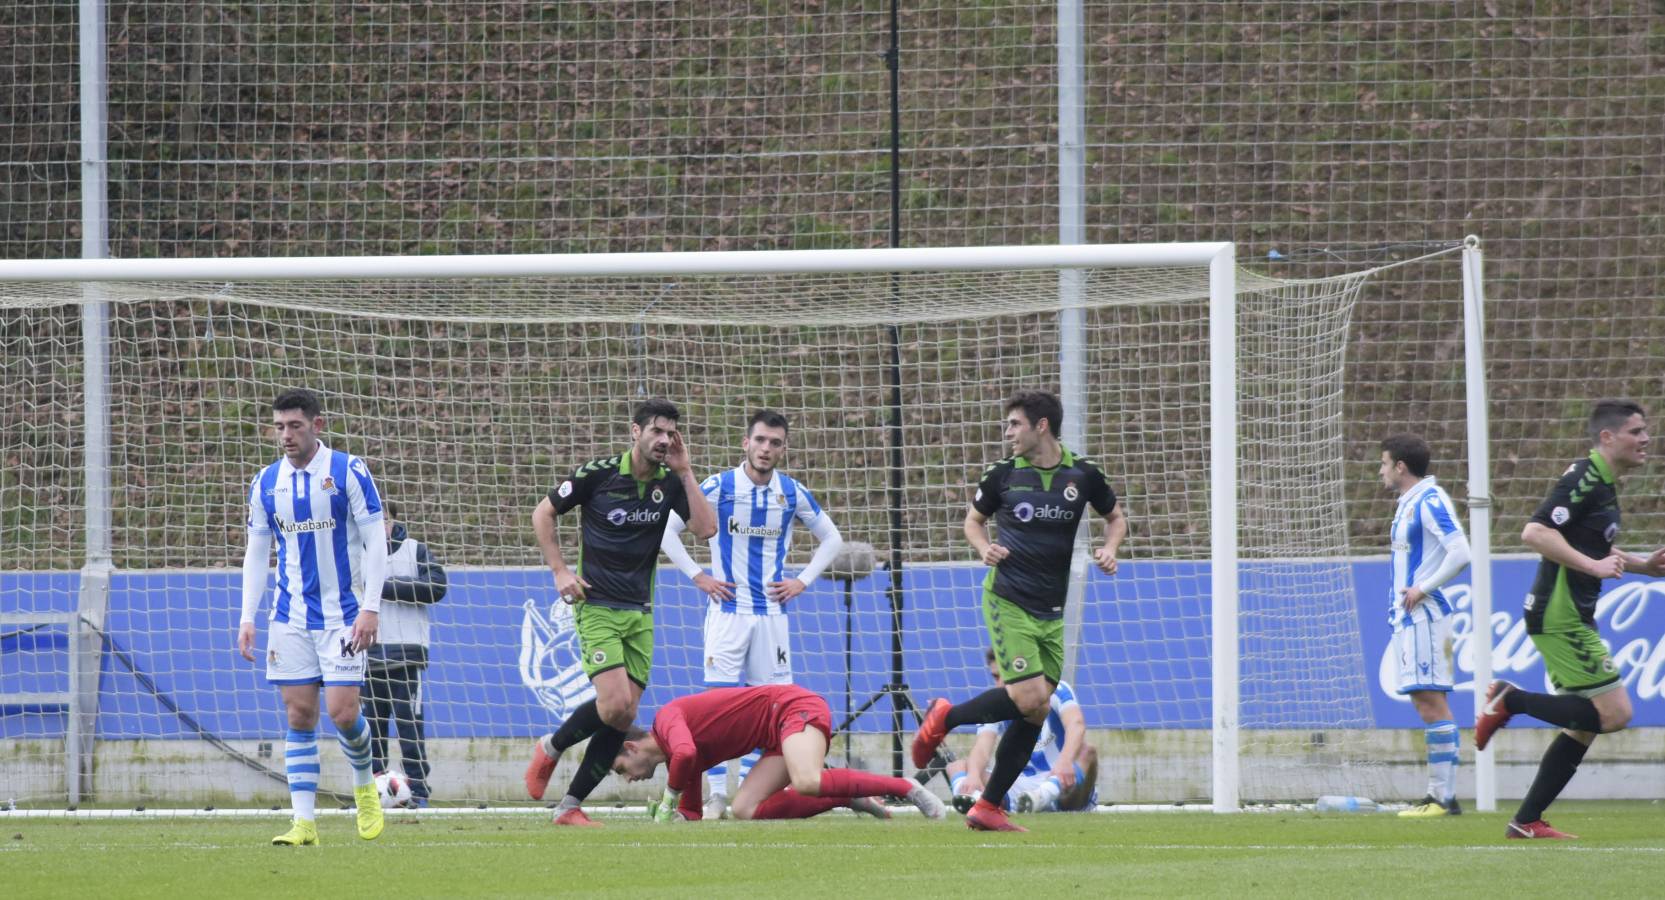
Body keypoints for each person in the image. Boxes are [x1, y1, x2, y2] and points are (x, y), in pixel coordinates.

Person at [911, 389, 1125, 832]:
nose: (1008, 432)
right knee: (1029, 698)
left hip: (1052, 609)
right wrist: (984, 547)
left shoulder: (1083, 475)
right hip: (1008, 599)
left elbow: (1115, 518)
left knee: (1037, 708)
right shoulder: (1002, 475)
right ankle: (944, 718)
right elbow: (973, 521)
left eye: (1014, 424)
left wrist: (1109, 549)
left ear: (1040, 426)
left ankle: (989, 806)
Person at [1475, 400, 1665, 840]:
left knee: (1583, 725)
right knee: (1614, 714)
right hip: (1560, 615)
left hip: (1570, 612)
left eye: (1645, 431)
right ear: (1607, 437)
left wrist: (1641, 565)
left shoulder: (1603, 482)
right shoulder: (1584, 477)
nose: (1646, 439)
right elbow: (1535, 532)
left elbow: (1593, 547)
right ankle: (1509, 700)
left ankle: (1525, 821)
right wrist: (1593, 567)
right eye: (1636, 431)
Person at [522, 398, 717, 826]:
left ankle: (569, 807)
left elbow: (706, 529)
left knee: (626, 714)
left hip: (640, 613)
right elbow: (543, 513)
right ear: (636, 432)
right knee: (614, 708)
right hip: (597, 607)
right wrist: (559, 572)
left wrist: (686, 471)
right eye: (656, 431)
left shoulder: (670, 481)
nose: (664, 440)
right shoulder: (599, 475)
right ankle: (550, 748)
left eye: (671, 433)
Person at [658, 409, 845, 819]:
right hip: (726, 614)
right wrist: (698, 576)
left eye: (775, 443)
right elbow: (667, 529)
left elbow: (832, 539)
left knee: (774, 715)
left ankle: (749, 793)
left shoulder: (790, 492)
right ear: (746, 443)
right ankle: (716, 798)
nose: (766, 449)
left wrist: (803, 580)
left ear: (783, 448)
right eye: (760, 440)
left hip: (772, 619)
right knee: (718, 710)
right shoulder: (719, 486)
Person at [236, 388, 388, 846]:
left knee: (343, 713)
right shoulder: (266, 482)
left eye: (295, 425)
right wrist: (248, 617)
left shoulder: (348, 471)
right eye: (279, 426)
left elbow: (375, 540)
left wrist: (371, 606)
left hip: (344, 614)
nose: (286, 435)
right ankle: (304, 823)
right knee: (299, 714)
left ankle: (365, 786)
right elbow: (257, 550)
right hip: (290, 616)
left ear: (317, 425)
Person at [611, 684, 946, 822]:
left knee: (806, 780)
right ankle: (848, 798)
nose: (627, 778)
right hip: (775, 736)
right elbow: (692, 809)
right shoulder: (676, 752)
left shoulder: (667, 721)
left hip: (792, 709)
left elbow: (685, 755)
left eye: (620, 768)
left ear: (631, 746)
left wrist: (668, 801)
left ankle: (906, 788)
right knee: (743, 809)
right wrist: (678, 815)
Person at [1377, 434, 1471, 818]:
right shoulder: (1409, 503)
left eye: (1384, 463)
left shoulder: (1429, 501)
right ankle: (1444, 797)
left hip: (1425, 616)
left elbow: (1461, 552)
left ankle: (1440, 797)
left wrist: (1422, 588)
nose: (1380, 471)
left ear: (1401, 466)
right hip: (1411, 617)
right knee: (1429, 701)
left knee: (1430, 702)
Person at [363, 500, 448, 807]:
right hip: (366, 659)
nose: (380, 526)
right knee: (370, 734)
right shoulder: (352, 552)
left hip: (406, 658)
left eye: (385, 519)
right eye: (374, 520)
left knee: (410, 729)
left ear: (395, 521)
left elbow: (437, 587)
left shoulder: (415, 550)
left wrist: (384, 587)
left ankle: (419, 793)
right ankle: (371, 795)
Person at [947, 648, 1099, 814]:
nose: (1000, 684)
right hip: (1021, 785)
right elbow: (982, 748)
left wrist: (1064, 761)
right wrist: (974, 775)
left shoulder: (1055, 689)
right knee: (959, 767)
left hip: (1061, 779)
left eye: (1004, 676)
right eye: (996, 677)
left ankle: (1044, 798)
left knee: (1087, 752)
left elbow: (1076, 724)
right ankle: (974, 803)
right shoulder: (994, 703)